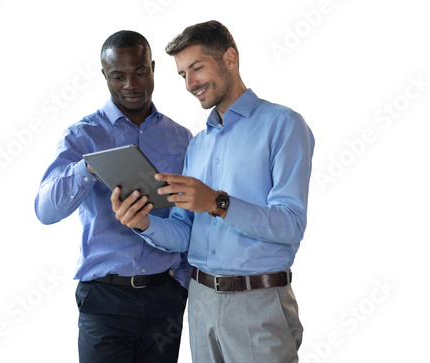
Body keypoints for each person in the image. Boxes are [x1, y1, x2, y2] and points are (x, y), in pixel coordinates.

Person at [112, 20, 315, 363]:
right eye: (182, 75)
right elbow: (185, 233)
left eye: (197, 68)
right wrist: (143, 224)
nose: (191, 83)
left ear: (230, 59)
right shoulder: (198, 145)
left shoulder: (283, 125)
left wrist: (219, 204)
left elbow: (290, 224)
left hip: (258, 303)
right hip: (202, 301)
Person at [34, 30, 192, 363]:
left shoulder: (180, 138)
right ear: (104, 75)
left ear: (152, 68)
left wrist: (181, 284)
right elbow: (46, 210)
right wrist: (88, 168)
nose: (130, 84)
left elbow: (194, 219)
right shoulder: (82, 135)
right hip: (105, 300)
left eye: (139, 72)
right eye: (118, 75)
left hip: (165, 299)